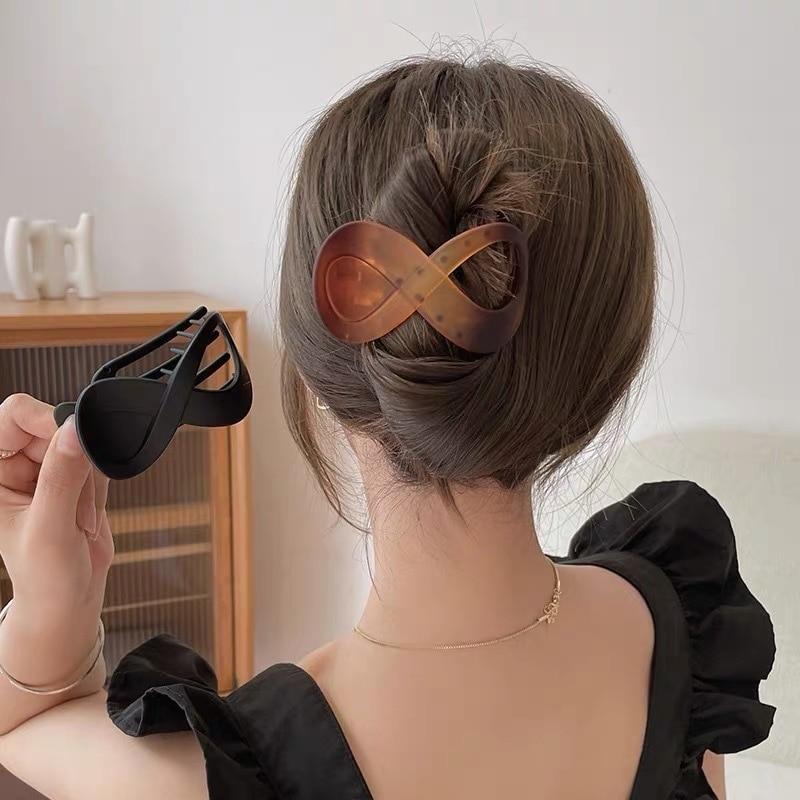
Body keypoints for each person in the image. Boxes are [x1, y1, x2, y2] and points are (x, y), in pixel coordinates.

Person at [0, 56, 775, 800]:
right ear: (607, 366)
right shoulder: (680, 626)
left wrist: (51, 609)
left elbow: (19, 727)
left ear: (315, 373)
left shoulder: (207, 778)